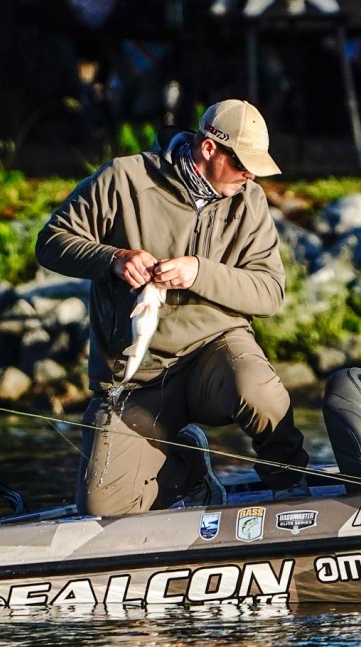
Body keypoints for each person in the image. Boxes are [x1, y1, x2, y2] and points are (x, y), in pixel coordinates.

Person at [36, 98, 310, 516]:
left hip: (214, 353)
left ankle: (290, 482)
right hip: (136, 376)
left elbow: (269, 292)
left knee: (259, 391)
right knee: (102, 509)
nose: (250, 175)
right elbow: (50, 242)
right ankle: (188, 468)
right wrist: (113, 259)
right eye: (243, 165)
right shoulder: (124, 178)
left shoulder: (249, 201)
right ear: (209, 149)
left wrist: (199, 272)